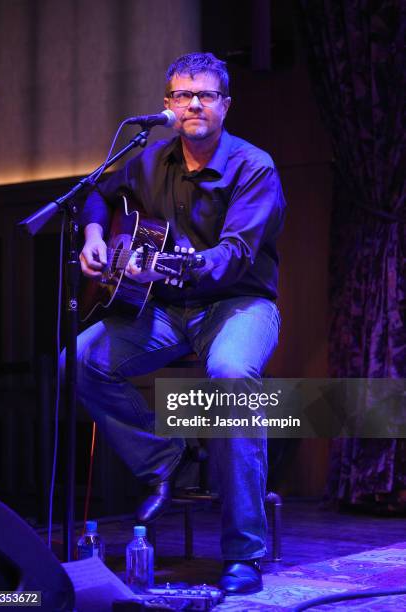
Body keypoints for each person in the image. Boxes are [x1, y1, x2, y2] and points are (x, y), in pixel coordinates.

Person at [75, 52, 286, 595]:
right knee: (78, 360)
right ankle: (168, 460)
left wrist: (184, 263)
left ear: (225, 105)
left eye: (206, 95)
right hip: (166, 308)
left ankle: (244, 554)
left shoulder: (253, 166)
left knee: (233, 378)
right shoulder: (149, 158)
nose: (194, 103)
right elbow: (98, 194)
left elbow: (237, 254)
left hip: (238, 303)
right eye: (182, 94)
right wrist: (95, 239)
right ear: (167, 104)